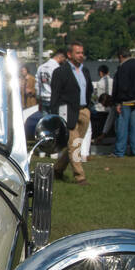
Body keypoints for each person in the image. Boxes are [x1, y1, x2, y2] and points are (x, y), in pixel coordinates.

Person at [50, 42, 91, 185]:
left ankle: (57, 169)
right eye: (78, 53)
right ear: (69, 54)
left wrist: (88, 107)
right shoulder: (60, 72)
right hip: (68, 111)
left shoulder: (85, 71)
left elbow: (89, 90)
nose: (81, 56)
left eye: (82, 53)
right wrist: (55, 116)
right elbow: (55, 96)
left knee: (76, 144)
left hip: (84, 111)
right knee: (74, 143)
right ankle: (80, 176)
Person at [35, 49, 66, 114]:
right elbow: (60, 85)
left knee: (46, 122)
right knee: (56, 121)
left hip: (43, 98)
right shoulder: (57, 68)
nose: (64, 61)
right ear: (60, 57)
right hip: (54, 99)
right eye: (64, 59)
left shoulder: (41, 67)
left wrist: (38, 97)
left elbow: (37, 84)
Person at [92, 65, 115, 139]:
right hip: (112, 105)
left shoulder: (99, 83)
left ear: (100, 73)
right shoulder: (113, 81)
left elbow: (99, 97)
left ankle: (99, 135)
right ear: (108, 72)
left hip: (102, 108)